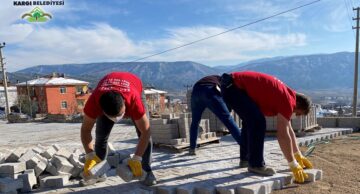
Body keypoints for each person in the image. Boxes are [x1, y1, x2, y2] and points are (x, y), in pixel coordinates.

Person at [220, 71, 313, 183]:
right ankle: (256, 165)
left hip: (231, 85)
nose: (296, 116)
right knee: (258, 122)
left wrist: (298, 155)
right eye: (298, 113)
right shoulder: (288, 101)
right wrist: (292, 163)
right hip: (234, 87)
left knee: (250, 121)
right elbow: (283, 134)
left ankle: (246, 159)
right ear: (297, 104)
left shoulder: (286, 95)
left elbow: (289, 130)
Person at [80, 72, 156, 186]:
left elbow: (146, 131)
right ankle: (98, 173)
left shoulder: (134, 100)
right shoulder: (94, 102)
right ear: (102, 110)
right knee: (101, 136)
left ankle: (146, 170)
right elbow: (85, 130)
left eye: (120, 114)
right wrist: (90, 155)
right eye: (112, 117)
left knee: (143, 134)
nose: (117, 119)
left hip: (134, 86)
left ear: (125, 104)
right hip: (105, 93)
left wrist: (137, 158)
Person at [189, 75, 243, 164]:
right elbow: (226, 97)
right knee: (228, 119)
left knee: (195, 121)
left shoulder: (213, 78)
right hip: (209, 91)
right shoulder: (224, 82)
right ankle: (246, 147)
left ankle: (192, 148)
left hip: (195, 92)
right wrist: (228, 110)